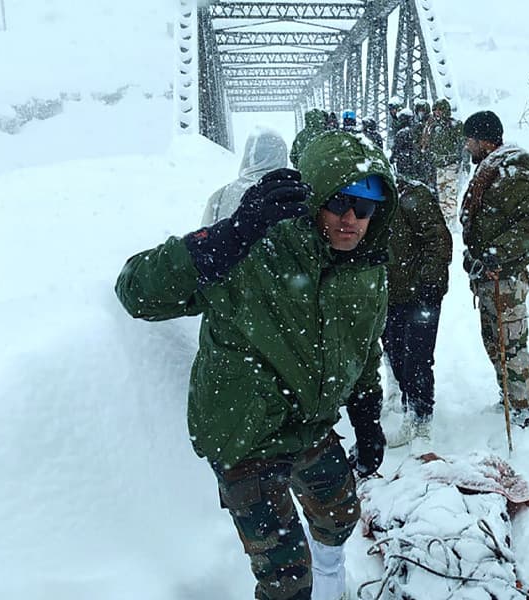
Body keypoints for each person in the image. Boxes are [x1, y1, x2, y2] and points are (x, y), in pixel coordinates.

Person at [114, 131, 397, 600]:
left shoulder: (366, 272)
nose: (351, 219)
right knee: (286, 582)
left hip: (308, 422)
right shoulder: (255, 250)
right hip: (245, 433)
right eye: (340, 202)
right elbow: (137, 291)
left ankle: (332, 582)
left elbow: (363, 349)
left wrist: (367, 417)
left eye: (365, 208)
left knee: (341, 515)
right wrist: (228, 236)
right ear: (315, 199)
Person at [460, 110, 529, 427]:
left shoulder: (513, 170)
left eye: (470, 140)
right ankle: (508, 397)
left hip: (506, 277)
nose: (466, 146)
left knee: (510, 343)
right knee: (494, 340)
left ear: (484, 141)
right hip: (488, 275)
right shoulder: (491, 168)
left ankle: (523, 409)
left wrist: (498, 253)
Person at [382, 177, 452, 447]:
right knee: (395, 353)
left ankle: (421, 421)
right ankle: (410, 405)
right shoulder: (372, 199)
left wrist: (427, 284)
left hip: (422, 296)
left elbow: (439, 242)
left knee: (418, 359)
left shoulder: (413, 196)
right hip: (393, 296)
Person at [201, 127, 288, 226]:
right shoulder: (290, 193)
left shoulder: (219, 196)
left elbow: (205, 236)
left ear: (248, 153)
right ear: (282, 155)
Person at [420, 98, 467, 228]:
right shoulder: (433, 126)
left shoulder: (455, 125)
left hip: (452, 165)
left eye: (439, 110)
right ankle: (445, 222)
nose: (436, 112)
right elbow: (427, 145)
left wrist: (464, 163)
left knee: (450, 196)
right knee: (442, 196)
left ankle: (451, 224)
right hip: (439, 165)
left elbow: (463, 145)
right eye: (435, 110)